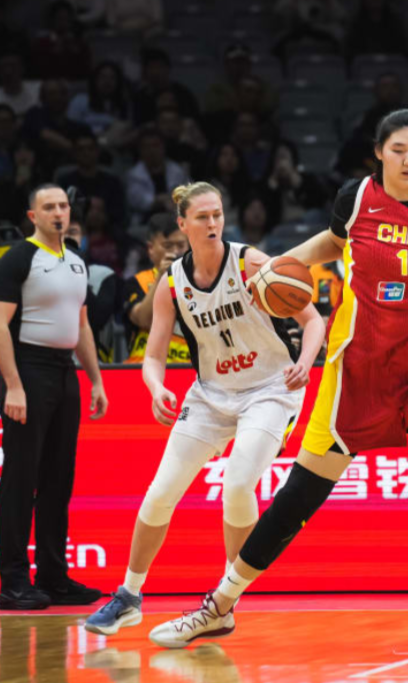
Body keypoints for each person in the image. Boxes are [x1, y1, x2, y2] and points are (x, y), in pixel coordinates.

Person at [149, 109, 408, 651]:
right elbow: (334, 242)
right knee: (298, 498)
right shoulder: (357, 198)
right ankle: (218, 605)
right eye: (398, 150)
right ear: (379, 152)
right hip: (355, 371)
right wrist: (278, 265)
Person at [84, 181, 325, 636]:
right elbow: (153, 356)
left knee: (238, 484)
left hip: (270, 389)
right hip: (211, 394)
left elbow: (313, 321)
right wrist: (156, 388)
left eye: (217, 214)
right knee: (160, 493)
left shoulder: (251, 262)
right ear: (183, 224)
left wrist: (306, 362)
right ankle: (129, 597)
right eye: (202, 217)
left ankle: (224, 603)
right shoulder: (171, 283)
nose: (213, 223)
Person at [0, 183, 109, 610]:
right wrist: (13, 384)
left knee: (59, 478)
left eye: (63, 206)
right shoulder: (18, 258)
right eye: (49, 207)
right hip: (28, 369)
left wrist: (95, 380)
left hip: (64, 371)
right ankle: (13, 582)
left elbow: (83, 325)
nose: (58, 213)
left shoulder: (76, 261)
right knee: (21, 477)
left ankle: (54, 577)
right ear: (32, 216)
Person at [122, 212, 190, 363]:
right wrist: (162, 277)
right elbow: (144, 320)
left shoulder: (201, 283)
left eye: (181, 245)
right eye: (168, 246)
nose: (175, 252)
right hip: (143, 369)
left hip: (186, 370)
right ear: (151, 248)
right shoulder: (137, 282)